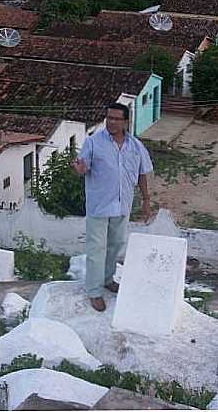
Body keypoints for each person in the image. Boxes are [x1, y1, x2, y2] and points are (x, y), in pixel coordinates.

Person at [72, 103, 153, 312]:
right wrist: (80, 169)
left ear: (126, 121)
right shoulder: (92, 142)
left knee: (116, 245)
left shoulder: (135, 146)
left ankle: (108, 279)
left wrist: (145, 200)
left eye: (117, 119)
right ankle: (94, 292)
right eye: (109, 118)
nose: (112, 122)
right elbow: (84, 166)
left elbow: (142, 173)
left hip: (122, 205)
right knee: (96, 249)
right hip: (99, 205)